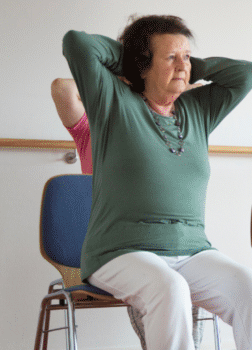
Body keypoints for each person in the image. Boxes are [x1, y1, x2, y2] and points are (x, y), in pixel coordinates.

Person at [62, 15, 252, 350]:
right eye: (171, 58)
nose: (182, 65)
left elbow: (248, 73)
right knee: (170, 287)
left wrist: (190, 65)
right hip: (120, 251)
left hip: (192, 249)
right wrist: (133, 59)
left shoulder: (198, 108)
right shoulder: (113, 102)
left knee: (249, 286)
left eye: (187, 56)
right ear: (143, 65)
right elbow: (77, 42)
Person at [50, 77, 209, 350]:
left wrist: (163, 81)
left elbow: (202, 91)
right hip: (113, 246)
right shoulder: (93, 128)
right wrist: (123, 74)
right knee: (160, 279)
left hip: (165, 242)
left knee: (186, 274)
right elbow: (63, 89)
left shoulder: (165, 131)